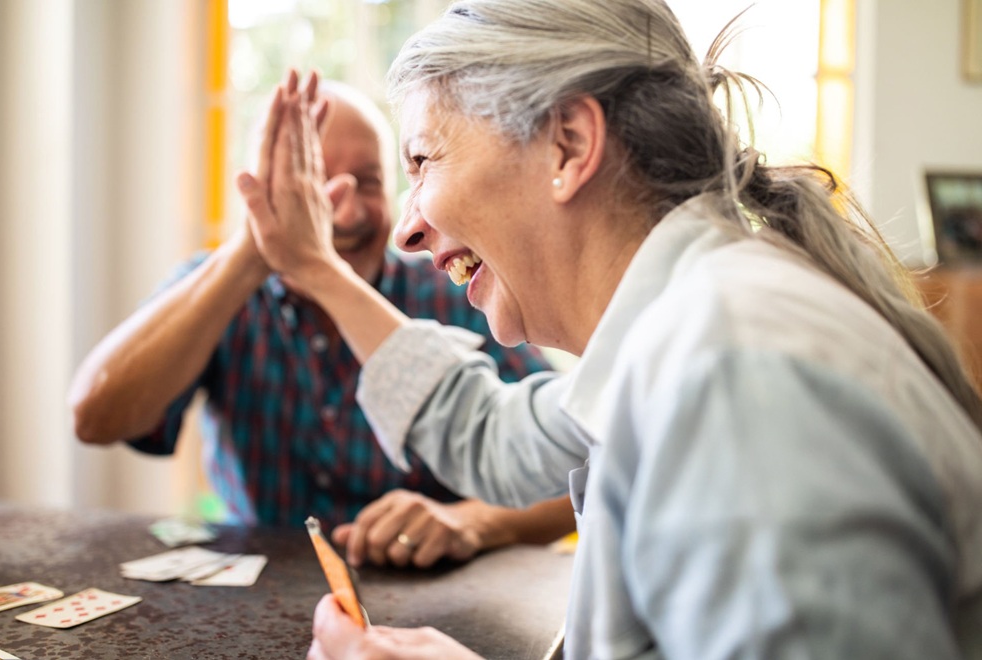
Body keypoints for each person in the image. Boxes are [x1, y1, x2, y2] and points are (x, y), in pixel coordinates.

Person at [236, 1, 982, 658]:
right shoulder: (683, 329)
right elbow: (496, 437)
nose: (406, 229)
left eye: (423, 159)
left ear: (567, 144)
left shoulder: (731, 374)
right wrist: (315, 266)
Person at [68, 75, 576, 570]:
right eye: (313, 183)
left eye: (370, 182)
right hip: (256, 592)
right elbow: (97, 417)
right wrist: (256, 250)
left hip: (426, 594)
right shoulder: (211, 285)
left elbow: (572, 457)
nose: (346, 208)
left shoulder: (455, 288)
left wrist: (469, 522)